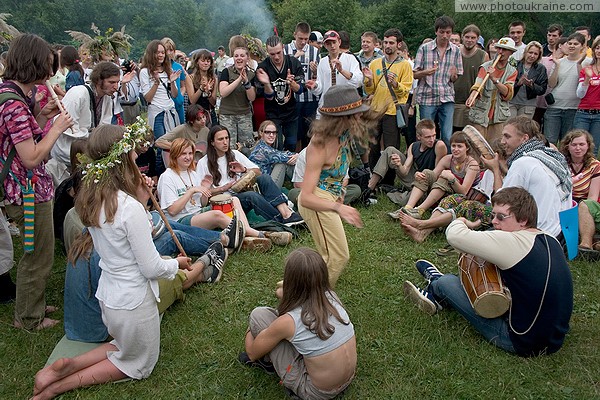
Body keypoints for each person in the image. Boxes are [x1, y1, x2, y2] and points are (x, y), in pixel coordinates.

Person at [32, 124, 192, 399]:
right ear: (123, 158)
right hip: (132, 303)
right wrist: (176, 264)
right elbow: (151, 267)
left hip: (109, 297)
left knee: (122, 345)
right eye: (132, 154)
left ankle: (68, 365)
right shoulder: (130, 209)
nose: (137, 159)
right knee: (139, 364)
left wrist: (141, 200)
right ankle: (59, 385)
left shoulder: (91, 198)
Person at [403, 187, 573, 357]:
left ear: (523, 220)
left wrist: (462, 220)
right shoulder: (550, 239)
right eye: (493, 216)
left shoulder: (513, 243)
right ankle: (440, 290)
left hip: (520, 341)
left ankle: (437, 288)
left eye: (501, 217)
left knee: (447, 282)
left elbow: (455, 236)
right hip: (555, 339)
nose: (494, 222)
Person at [0, 34, 73, 331]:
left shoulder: (15, 94)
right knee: (38, 253)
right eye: (46, 61)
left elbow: (26, 138)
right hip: (26, 190)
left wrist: (42, 117)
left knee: (36, 248)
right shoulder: (13, 104)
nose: (51, 68)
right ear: (34, 61)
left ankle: (33, 302)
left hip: (28, 186)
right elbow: (30, 156)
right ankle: (29, 318)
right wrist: (57, 128)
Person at [239, 247, 356, 399]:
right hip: (348, 378)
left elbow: (252, 353)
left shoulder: (289, 322)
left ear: (291, 282)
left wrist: (252, 330)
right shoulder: (332, 298)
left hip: (316, 392)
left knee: (258, 316)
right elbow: (288, 295)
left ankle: (271, 364)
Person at [298, 85, 379, 287]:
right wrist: (338, 207)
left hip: (329, 197)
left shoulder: (345, 134)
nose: (358, 118)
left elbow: (341, 168)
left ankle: (292, 289)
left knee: (328, 255)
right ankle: (310, 299)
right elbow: (306, 196)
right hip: (315, 201)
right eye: (354, 115)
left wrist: (341, 192)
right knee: (337, 256)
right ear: (340, 118)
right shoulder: (319, 145)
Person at [483, 116, 571, 238]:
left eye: (507, 136)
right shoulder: (551, 156)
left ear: (524, 138)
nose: (502, 141)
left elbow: (500, 202)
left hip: (537, 235)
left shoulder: (523, 162)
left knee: (470, 242)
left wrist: (495, 169)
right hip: (560, 234)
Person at [197, 125, 303, 226]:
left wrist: (244, 170)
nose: (225, 142)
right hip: (226, 201)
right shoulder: (203, 163)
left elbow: (258, 172)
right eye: (220, 139)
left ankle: (287, 214)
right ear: (212, 142)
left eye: (227, 138)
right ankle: (280, 219)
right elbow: (202, 195)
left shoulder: (234, 154)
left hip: (241, 192)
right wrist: (223, 188)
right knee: (251, 197)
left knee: (264, 178)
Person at [400, 131, 480, 220]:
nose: (455, 149)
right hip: (444, 191)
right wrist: (419, 175)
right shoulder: (448, 159)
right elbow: (432, 176)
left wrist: (452, 179)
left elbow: (464, 192)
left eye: (459, 146)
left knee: (445, 178)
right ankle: (408, 207)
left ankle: (420, 210)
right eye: (453, 146)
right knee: (426, 173)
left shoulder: (472, 165)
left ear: (467, 148)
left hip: (461, 199)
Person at [413, 15, 463, 148]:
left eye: (448, 32)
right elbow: (414, 74)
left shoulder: (456, 51)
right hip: (427, 96)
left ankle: (445, 163)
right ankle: (426, 162)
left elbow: (456, 77)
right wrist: (425, 72)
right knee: (426, 135)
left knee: (447, 135)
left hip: (447, 96)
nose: (445, 36)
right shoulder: (424, 48)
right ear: (436, 31)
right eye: (442, 32)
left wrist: (454, 76)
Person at [367, 119, 447, 200]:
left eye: (434, 135)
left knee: (408, 200)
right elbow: (404, 172)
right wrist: (398, 164)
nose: (432, 139)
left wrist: (422, 178)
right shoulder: (413, 146)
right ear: (419, 137)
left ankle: (397, 193)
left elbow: (436, 175)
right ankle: (369, 188)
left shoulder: (439, 145)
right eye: (428, 137)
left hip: (428, 183)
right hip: (414, 177)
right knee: (389, 150)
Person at [363, 28, 413, 154]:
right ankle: (373, 172)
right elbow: (370, 89)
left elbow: (406, 90)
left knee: (391, 147)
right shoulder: (375, 63)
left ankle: (390, 173)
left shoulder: (405, 65)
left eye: (391, 43)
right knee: (373, 146)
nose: (387, 46)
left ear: (399, 44)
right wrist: (368, 80)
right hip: (375, 110)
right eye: (385, 42)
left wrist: (396, 84)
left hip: (392, 111)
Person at [256, 35, 305, 152]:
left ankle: (290, 169)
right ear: (267, 52)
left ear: (283, 47)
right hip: (273, 113)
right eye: (272, 54)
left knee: (292, 144)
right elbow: (268, 97)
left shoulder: (293, 63)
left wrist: (292, 83)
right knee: (276, 145)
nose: (276, 57)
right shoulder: (263, 67)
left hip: (291, 112)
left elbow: (300, 90)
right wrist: (267, 84)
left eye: (279, 52)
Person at [139, 40, 181, 173]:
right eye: (158, 52)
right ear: (152, 54)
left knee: (173, 144)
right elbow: (147, 98)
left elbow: (174, 95)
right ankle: (159, 175)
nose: (161, 55)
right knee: (162, 144)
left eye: (163, 52)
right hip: (157, 112)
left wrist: (173, 82)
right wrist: (156, 83)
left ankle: (171, 172)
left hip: (170, 110)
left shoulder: (168, 70)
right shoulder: (145, 72)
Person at [466, 37, 518, 142]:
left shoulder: (512, 71)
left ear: (511, 52)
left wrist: (494, 79)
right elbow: (478, 84)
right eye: (499, 48)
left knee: (496, 145)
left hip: (498, 115)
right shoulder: (485, 67)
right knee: (477, 145)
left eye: (504, 49)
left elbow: (508, 93)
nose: (500, 52)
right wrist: (472, 96)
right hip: (481, 113)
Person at [305, 30, 363, 118]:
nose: (332, 46)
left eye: (334, 42)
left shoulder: (350, 59)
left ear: (339, 42)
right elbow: (320, 88)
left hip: (346, 108)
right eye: (328, 43)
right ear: (325, 45)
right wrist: (314, 86)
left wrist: (342, 71)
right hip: (327, 108)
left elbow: (358, 81)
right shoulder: (323, 62)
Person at [544, 33, 587, 144]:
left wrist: (579, 64)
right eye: (570, 43)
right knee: (550, 142)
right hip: (555, 106)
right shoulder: (560, 62)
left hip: (574, 108)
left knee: (567, 143)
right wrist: (557, 66)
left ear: (582, 46)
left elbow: (583, 83)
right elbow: (551, 84)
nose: (572, 46)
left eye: (575, 44)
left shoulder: (587, 62)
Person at [287, 147, 361, 208]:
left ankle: (321, 207)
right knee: (293, 193)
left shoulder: (343, 154)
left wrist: (329, 193)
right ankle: (334, 207)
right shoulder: (305, 153)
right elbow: (298, 184)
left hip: (334, 191)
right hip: (312, 192)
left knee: (355, 189)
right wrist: (321, 193)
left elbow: (345, 180)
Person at [453, 24, 489, 132]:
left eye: (473, 38)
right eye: (467, 37)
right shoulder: (455, 52)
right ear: (462, 37)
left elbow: (484, 80)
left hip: (472, 102)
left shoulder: (483, 55)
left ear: (477, 39)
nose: (469, 40)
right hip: (453, 100)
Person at [219, 46, 256, 146]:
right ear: (233, 58)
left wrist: (247, 82)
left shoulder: (252, 74)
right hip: (227, 115)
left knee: (247, 146)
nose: (239, 58)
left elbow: (252, 98)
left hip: (244, 115)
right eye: (236, 56)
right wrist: (239, 79)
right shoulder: (226, 72)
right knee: (229, 146)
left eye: (242, 55)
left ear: (247, 58)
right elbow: (223, 92)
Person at [249, 120, 298, 187]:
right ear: (261, 133)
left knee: (289, 160)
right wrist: (298, 155)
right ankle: (303, 183)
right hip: (264, 188)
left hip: (262, 184)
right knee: (282, 164)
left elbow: (280, 154)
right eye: (267, 132)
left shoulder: (260, 145)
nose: (271, 135)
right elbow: (285, 156)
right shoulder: (264, 150)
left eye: (274, 132)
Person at [509, 41, 548, 120]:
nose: (532, 56)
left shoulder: (541, 69)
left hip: (528, 104)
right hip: (511, 102)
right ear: (525, 52)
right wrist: (518, 83)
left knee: (523, 129)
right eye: (530, 52)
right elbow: (507, 83)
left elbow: (542, 89)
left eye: (535, 54)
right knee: (509, 126)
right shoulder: (515, 64)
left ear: (539, 56)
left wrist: (531, 85)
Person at [573, 36, 600, 146]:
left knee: (593, 148)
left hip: (599, 115)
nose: (599, 51)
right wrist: (587, 80)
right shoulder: (587, 69)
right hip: (583, 113)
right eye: (597, 48)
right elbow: (580, 94)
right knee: (578, 145)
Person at [188, 49, 219, 126]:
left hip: (209, 113)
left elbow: (213, 102)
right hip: (195, 115)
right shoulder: (190, 78)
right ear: (197, 62)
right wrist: (201, 89)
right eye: (203, 61)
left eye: (208, 61)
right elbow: (192, 101)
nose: (205, 63)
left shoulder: (214, 79)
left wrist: (208, 93)